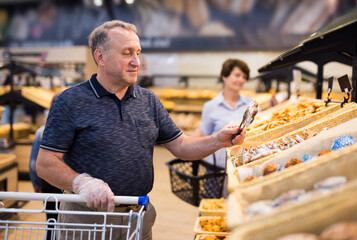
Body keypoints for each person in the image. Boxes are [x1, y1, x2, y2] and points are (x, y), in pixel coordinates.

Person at [36, 20, 246, 240]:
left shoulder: (148, 100)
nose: (136, 62)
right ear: (100, 57)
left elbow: (181, 145)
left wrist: (220, 140)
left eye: (138, 52)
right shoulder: (70, 101)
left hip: (138, 217)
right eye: (127, 53)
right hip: (87, 219)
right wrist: (82, 182)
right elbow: (45, 163)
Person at [192, 58, 256, 196]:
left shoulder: (251, 105)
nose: (241, 80)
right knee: (214, 208)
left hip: (242, 168)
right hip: (215, 169)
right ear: (225, 76)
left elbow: (257, 130)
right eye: (237, 75)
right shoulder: (211, 106)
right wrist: (186, 144)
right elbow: (203, 133)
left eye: (244, 77)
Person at [29, 126, 63, 240]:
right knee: (67, 220)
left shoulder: (41, 131)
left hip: (48, 181)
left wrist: (36, 184)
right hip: (68, 182)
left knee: (51, 220)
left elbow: (34, 163)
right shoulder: (74, 128)